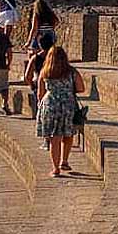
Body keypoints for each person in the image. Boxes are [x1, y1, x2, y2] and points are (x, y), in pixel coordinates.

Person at [37, 46, 85, 177]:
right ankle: (64, 160)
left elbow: (40, 93)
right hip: (68, 105)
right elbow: (81, 88)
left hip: (50, 104)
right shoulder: (71, 71)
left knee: (54, 138)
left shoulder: (45, 71)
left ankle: (55, 168)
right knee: (68, 134)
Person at [23, 32, 56, 150]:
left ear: (40, 45)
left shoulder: (35, 58)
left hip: (40, 87)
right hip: (55, 87)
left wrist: (32, 85)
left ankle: (47, 140)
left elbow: (27, 76)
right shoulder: (57, 57)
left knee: (43, 114)